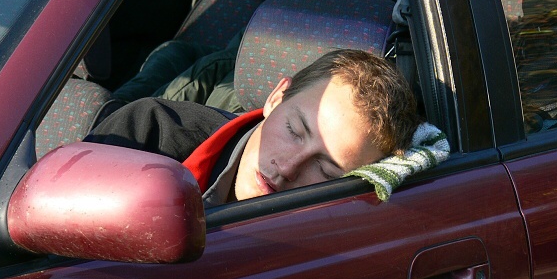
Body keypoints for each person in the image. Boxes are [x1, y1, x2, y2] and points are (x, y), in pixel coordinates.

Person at [86, 49, 420, 207]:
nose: (288, 168)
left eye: (327, 170)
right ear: (276, 97)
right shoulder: (149, 133)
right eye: (294, 130)